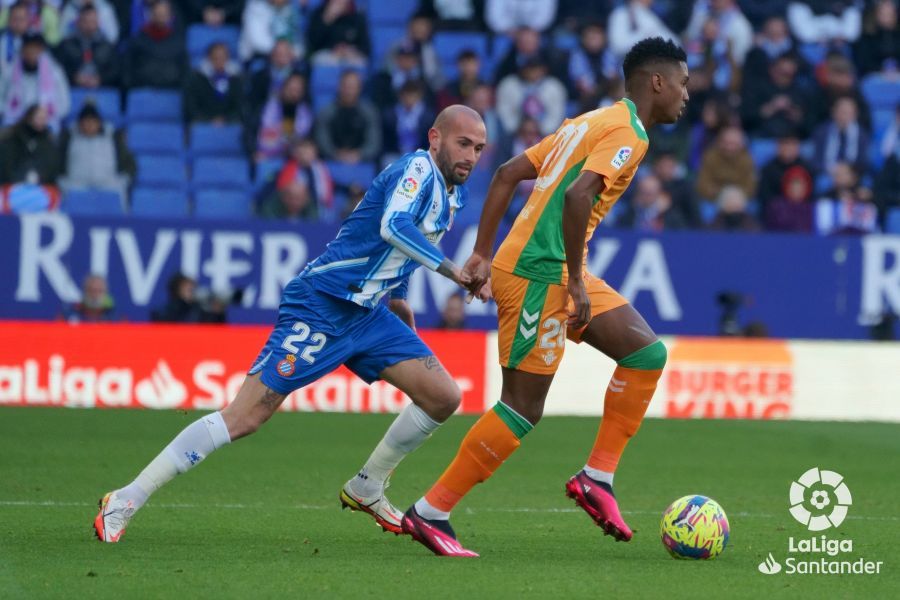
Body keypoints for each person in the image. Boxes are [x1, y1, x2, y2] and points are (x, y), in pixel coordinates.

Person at [93, 105, 489, 544]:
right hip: (323, 303)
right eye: (463, 143)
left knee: (442, 396)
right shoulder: (415, 168)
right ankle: (126, 498)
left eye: (478, 148)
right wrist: (454, 272)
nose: (470, 155)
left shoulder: (455, 195)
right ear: (435, 138)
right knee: (244, 417)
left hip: (369, 312)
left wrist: (399, 302)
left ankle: (367, 487)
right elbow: (394, 225)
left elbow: (405, 250)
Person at [401, 37, 689, 557]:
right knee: (522, 408)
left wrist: (483, 254)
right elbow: (580, 193)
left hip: (555, 269)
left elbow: (509, 173)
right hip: (541, 274)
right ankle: (430, 511)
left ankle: (596, 478)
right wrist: (572, 279)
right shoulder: (626, 132)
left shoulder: (589, 121)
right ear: (657, 82)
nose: (687, 96)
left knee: (646, 353)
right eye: (684, 85)